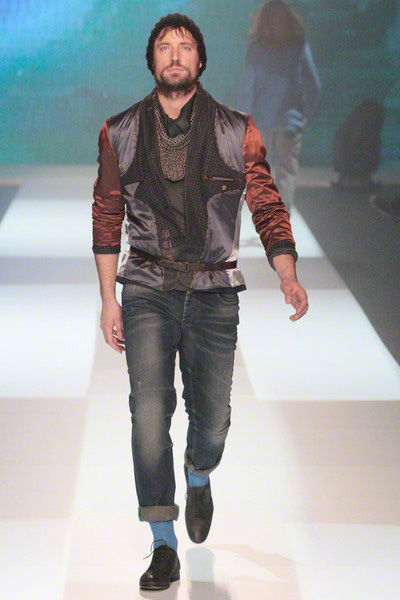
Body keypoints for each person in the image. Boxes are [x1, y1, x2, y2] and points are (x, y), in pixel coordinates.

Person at [92, 13, 308, 591]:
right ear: (151, 61)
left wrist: (287, 273)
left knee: (211, 422)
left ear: (201, 60)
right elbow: (107, 214)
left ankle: (199, 472)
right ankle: (163, 543)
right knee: (148, 411)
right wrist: (109, 300)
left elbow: (266, 203)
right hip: (147, 286)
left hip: (214, 289)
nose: (174, 54)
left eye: (185, 46)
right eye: (164, 46)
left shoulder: (238, 130)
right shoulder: (119, 131)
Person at [238, 0, 320, 210]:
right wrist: (304, 116)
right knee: (286, 174)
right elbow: (314, 86)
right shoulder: (299, 45)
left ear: (263, 21)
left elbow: (248, 88)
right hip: (289, 122)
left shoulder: (256, 47)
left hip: (260, 122)